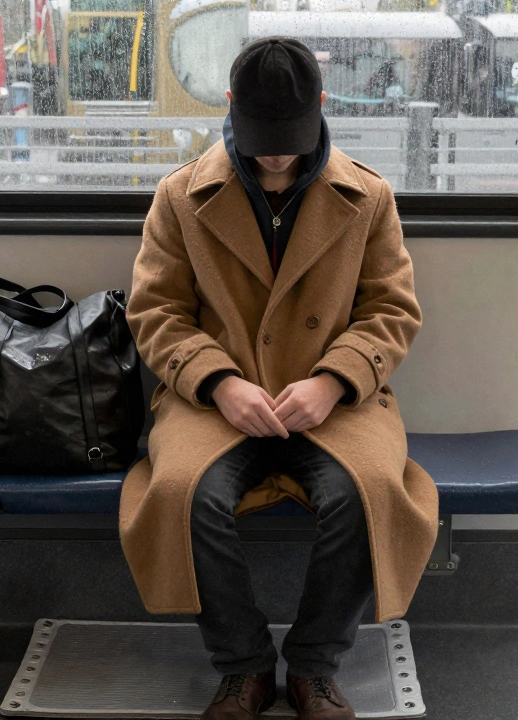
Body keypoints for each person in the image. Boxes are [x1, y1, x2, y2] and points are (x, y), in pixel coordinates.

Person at [120, 37, 439, 720]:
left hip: (335, 401)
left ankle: (315, 667)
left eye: (288, 138)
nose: (274, 155)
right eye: (261, 137)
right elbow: (157, 312)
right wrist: (220, 383)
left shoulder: (368, 197)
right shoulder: (180, 197)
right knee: (181, 492)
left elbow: (391, 310)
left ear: (321, 108)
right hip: (214, 401)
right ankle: (244, 668)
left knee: (371, 489)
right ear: (230, 109)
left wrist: (332, 381)